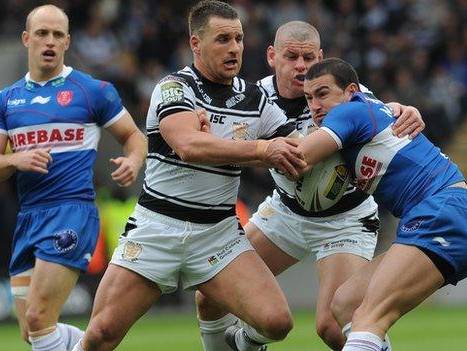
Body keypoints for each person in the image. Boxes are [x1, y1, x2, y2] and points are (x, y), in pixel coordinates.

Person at [71, 1, 307, 350]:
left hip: (218, 234)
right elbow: (188, 145)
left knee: (276, 322)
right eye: (223, 39)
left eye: (239, 39)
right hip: (158, 228)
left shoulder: (255, 98)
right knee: (101, 334)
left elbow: (300, 147)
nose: (234, 48)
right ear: (196, 44)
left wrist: (369, 121)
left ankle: (237, 345)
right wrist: (261, 149)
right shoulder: (174, 87)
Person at [193, 20, 425, 351]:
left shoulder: (341, 92)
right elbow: (222, 143)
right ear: (272, 57)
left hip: (344, 219)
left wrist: (404, 109)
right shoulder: (252, 99)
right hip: (285, 212)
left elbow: (380, 112)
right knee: (210, 295)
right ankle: (244, 342)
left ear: (321, 57)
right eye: (291, 57)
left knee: (333, 326)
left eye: (309, 58)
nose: (301, 67)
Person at [0, 5, 147, 351]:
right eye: (42, 33)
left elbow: (135, 137)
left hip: (72, 212)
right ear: (27, 39)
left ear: (68, 41)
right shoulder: (4, 101)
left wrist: (133, 160)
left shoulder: (93, 91)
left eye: (58, 34)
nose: (50, 41)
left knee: (40, 319)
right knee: (31, 329)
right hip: (29, 218)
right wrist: (17, 159)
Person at [296, 57, 467, 351]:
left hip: (440, 211)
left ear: (350, 91)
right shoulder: (368, 108)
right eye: (309, 98)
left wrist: (251, 146)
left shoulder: (347, 113)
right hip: (444, 213)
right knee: (346, 303)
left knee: (369, 317)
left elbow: (299, 158)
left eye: (322, 94)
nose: (315, 105)